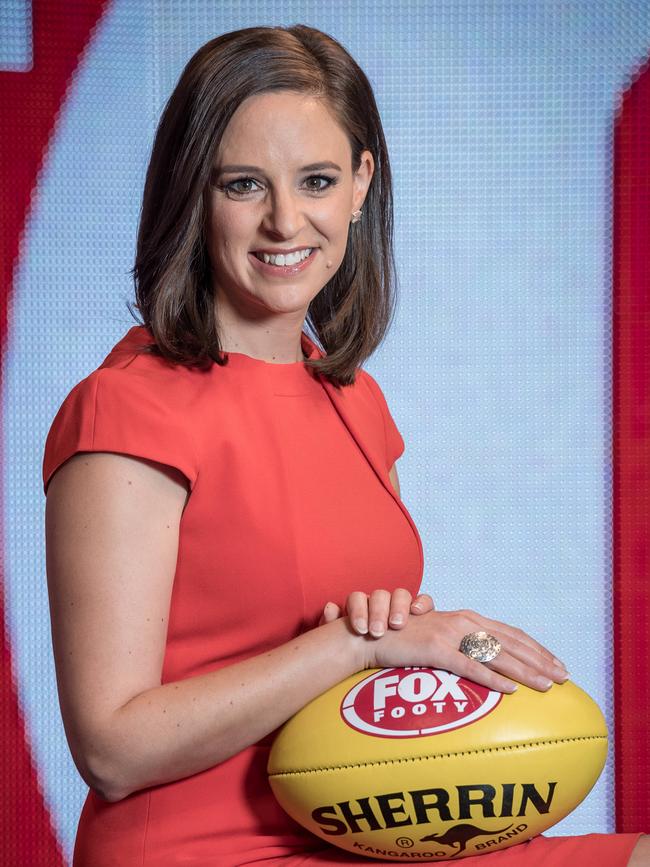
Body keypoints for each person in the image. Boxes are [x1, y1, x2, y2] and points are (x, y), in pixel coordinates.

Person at [42, 24, 646, 867]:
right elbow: (111, 748)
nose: (285, 220)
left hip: (363, 833)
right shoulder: (127, 409)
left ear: (361, 184)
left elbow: (372, 641)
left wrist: (446, 650)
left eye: (317, 180)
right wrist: (359, 644)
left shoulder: (356, 399)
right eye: (244, 184)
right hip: (202, 850)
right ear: (193, 192)